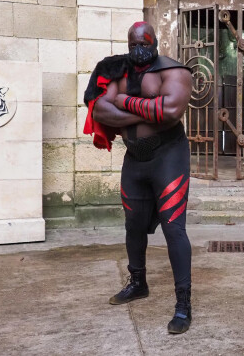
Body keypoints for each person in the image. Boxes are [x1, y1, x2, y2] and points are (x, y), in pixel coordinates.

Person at [82, 22, 193, 334]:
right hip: (135, 157)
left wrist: (124, 102)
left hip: (168, 156)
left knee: (174, 228)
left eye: (144, 43)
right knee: (133, 225)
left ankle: (183, 303)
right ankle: (138, 283)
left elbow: (171, 111)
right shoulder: (120, 71)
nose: (138, 50)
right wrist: (147, 110)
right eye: (133, 45)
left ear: (155, 41)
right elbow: (100, 110)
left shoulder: (175, 71)